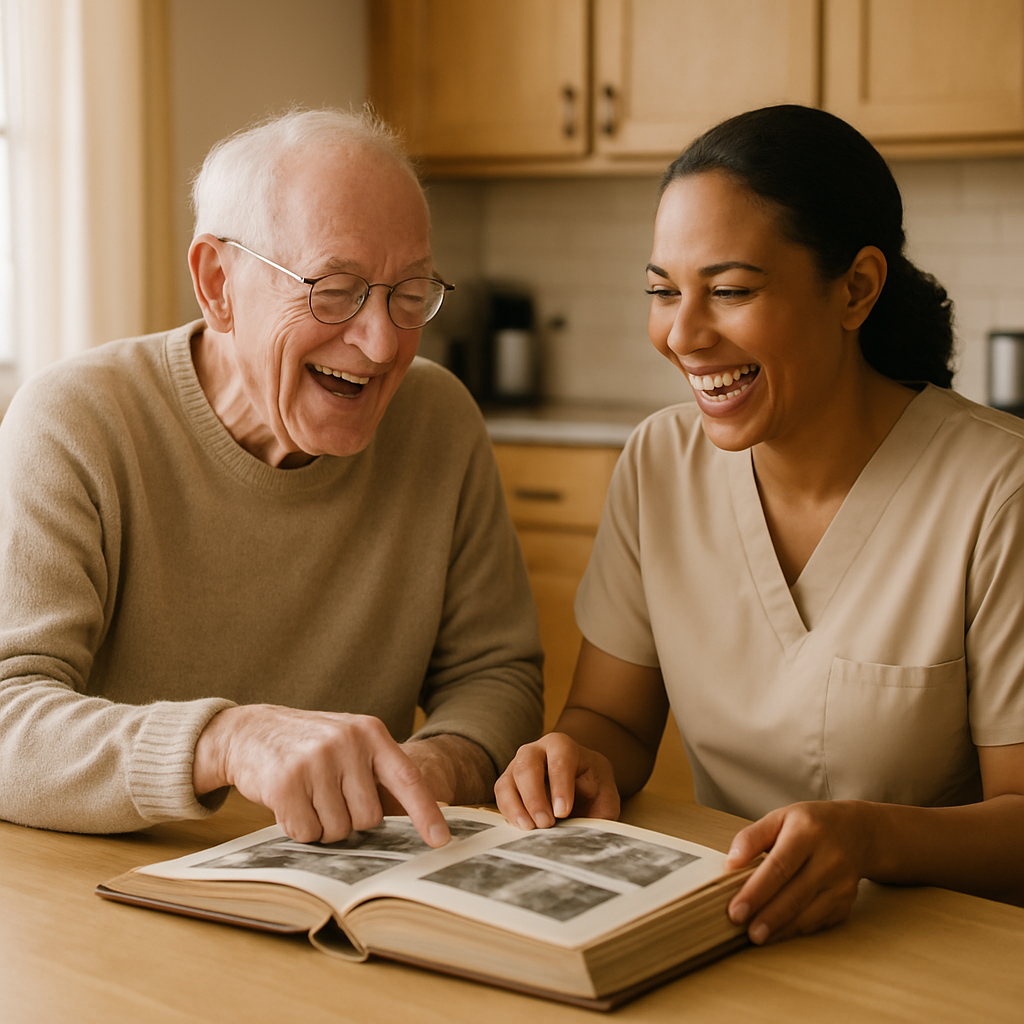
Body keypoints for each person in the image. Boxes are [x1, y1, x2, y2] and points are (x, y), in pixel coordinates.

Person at [495, 104, 1024, 945]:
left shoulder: (999, 490)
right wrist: (571, 757)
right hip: (734, 929)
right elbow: (615, 722)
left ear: (856, 289)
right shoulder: (658, 465)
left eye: (731, 291)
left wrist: (870, 837)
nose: (683, 333)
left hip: (938, 953)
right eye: (663, 291)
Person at [0, 109, 543, 846]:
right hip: (102, 892)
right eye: (335, 287)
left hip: (342, 886)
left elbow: (497, 674)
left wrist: (431, 768)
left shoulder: (439, 420)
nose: (382, 343)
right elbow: (9, 717)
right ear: (218, 283)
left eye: (409, 293)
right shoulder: (76, 421)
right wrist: (228, 741)